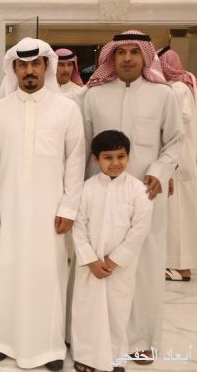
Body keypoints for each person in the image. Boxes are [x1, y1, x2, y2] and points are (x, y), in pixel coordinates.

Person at [0, 37, 85, 371]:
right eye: (23, 65)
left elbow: (75, 162)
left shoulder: (67, 109)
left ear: (46, 67)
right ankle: (0, 340)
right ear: (14, 69)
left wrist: (68, 208)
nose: (29, 71)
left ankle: (48, 347)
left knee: (47, 274)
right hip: (6, 208)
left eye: (35, 64)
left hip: (49, 211)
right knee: (5, 269)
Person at [82, 30, 182, 361]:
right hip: (100, 196)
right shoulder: (94, 96)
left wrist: (160, 171)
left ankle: (140, 341)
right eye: (121, 52)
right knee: (99, 264)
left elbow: (174, 140)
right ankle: (95, 338)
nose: (127, 58)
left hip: (146, 194)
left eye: (134, 52)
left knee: (145, 269)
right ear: (111, 56)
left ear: (145, 56)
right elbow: (83, 146)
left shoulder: (163, 95)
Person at [71, 130, 153, 372]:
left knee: (118, 309)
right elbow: (78, 227)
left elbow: (139, 230)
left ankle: (116, 357)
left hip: (120, 267)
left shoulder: (138, 190)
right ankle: (86, 356)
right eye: (108, 157)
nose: (115, 163)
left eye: (121, 156)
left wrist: (114, 261)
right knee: (87, 309)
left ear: (129, 157)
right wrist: (91, 260)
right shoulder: (86, 189)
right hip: (90, 265)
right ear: (96, 159)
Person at [158, 47, 197, 282]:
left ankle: (180, 268)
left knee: (178, 217)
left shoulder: (178, 88)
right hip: (182, 161)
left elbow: (183, 117)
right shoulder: (182, 85)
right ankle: (180, 265)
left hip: (179, 163)